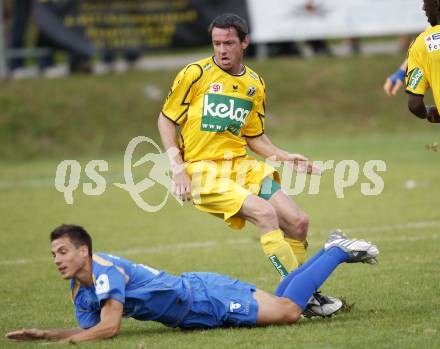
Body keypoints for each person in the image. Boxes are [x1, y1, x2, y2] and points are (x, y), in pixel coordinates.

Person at [157, 13, 339, 314]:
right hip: (200, 170)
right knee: (265, 214)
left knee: (298, 222)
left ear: (244, 42)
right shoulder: (195, 74)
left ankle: (300, 294)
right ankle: (305, 299)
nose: (222, 50)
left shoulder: (254, 84)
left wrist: (285, 157)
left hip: (240, 165)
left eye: (228, 43)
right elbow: (165, 119)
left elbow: (255, 138)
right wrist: (177, 168)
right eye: (216, 43)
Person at [5, 224, 379, 344]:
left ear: (84, 252)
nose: (57, 259)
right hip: (195, 310)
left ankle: (335, 251)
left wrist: (66, 341)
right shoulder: (81, 289)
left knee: (289, 312)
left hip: (203, 297)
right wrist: (48, 334)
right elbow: (95, 328)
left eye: (63, 251)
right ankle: (331, 250)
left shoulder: (104, 271)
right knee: (283, 306)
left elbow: (111, 326)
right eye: (53, 254)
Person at [405, 0, 440, 122]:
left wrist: (429, 113)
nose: (423, 8)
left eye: (426, 2)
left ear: (437, 4)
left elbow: (414, 104)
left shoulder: (421, 45)